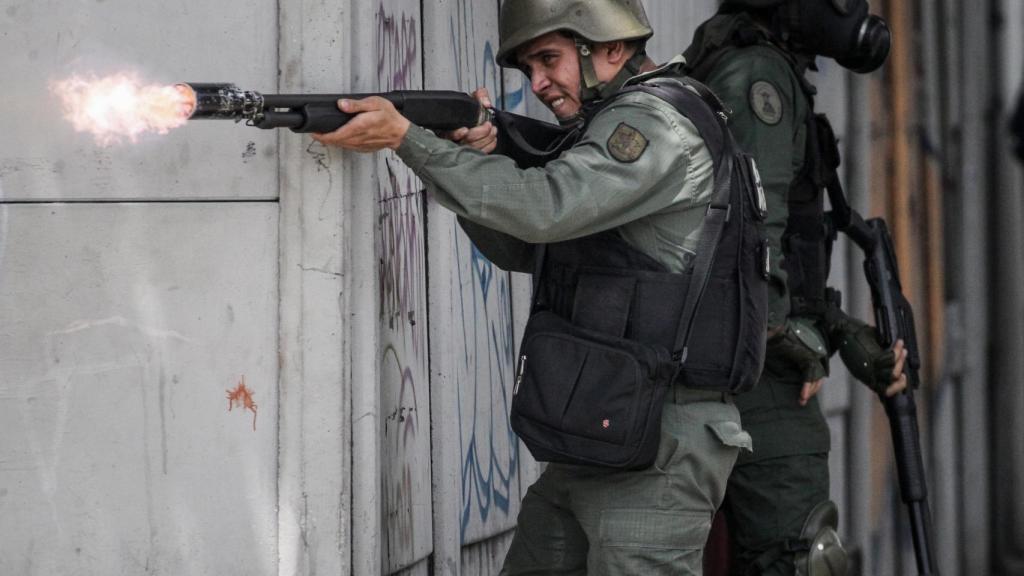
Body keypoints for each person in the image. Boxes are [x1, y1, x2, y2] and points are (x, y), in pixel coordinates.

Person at [314, 0, 755, 572]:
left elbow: (542, 209)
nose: (538, 83)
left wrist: (409, 140)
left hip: (659, 445)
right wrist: (471, 152)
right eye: (528, 68)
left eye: (549, 59)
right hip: (604, 427)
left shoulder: (653, 124)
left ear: (611, 47)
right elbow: (525, 246)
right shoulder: (610, 122)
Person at [682, 1, 908, 574]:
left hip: (753, 359)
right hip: (760, 374)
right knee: (801, 559)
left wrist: (835, 327)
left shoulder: (759, 65)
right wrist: (784, 333)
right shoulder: (756, 75)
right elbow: (749, 232)